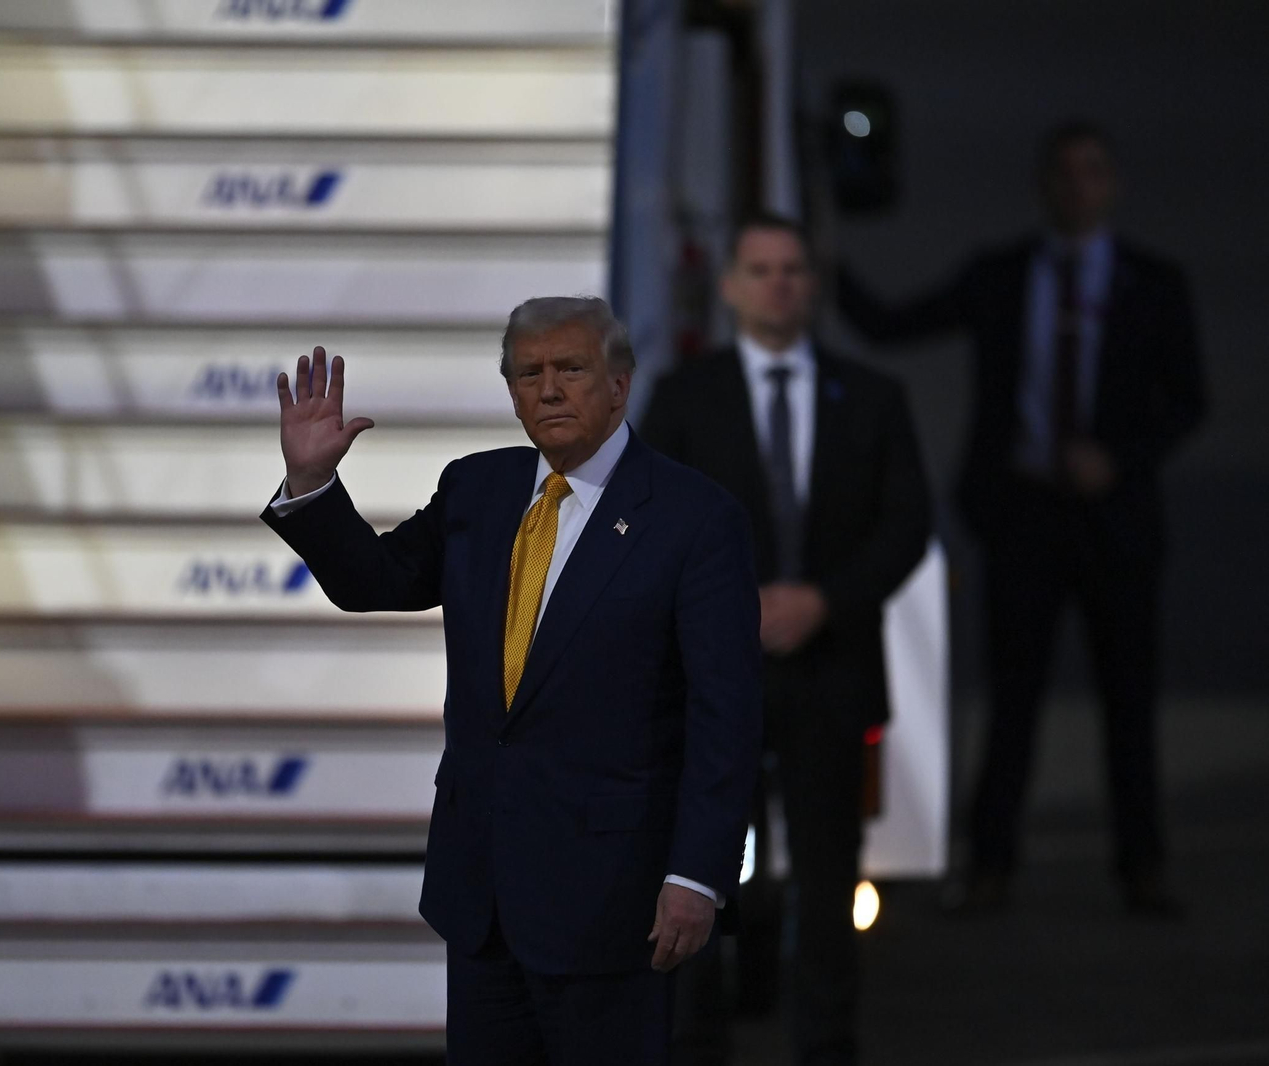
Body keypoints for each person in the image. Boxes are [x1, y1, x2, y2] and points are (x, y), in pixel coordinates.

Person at [262, 297, 763, 1065]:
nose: (549, 390)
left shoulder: (695, 519)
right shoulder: (477, 490)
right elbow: (378, 580)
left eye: (571, 369)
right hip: (483, 894)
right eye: (528, 374)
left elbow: (725, 717)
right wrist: (312, 485)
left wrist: (697, 874)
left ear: (620, 386)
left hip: (615, 903)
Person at [835, 122, 1207, 916]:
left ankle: (1142, 866)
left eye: (1093, 172)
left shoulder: (1153, 283)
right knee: (1013, 699)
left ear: (1112, 186)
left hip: (1118, 521)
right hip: (1026, 517)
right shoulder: (1002, 276)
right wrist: (819, 262)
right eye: (1065, 174)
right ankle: (991, 865)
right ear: (1044, 186)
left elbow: (1189, 401)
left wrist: (1120, 457)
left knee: (1128, 700)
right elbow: (890, 325)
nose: (1078, 187)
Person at [641, 214, 931, 1066]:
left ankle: (826, 1046)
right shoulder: (686, 395)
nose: (778, 283)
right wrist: (730, 609)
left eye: (793, 268)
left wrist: (824, 601)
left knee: (828, 873)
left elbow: (906, 522)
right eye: (760, 269)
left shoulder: (873, 396)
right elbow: (649, 518)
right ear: (728, 285)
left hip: (830, 672)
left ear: (814, 283)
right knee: (696, 868)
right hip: (709, 675)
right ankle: (695, 1042)